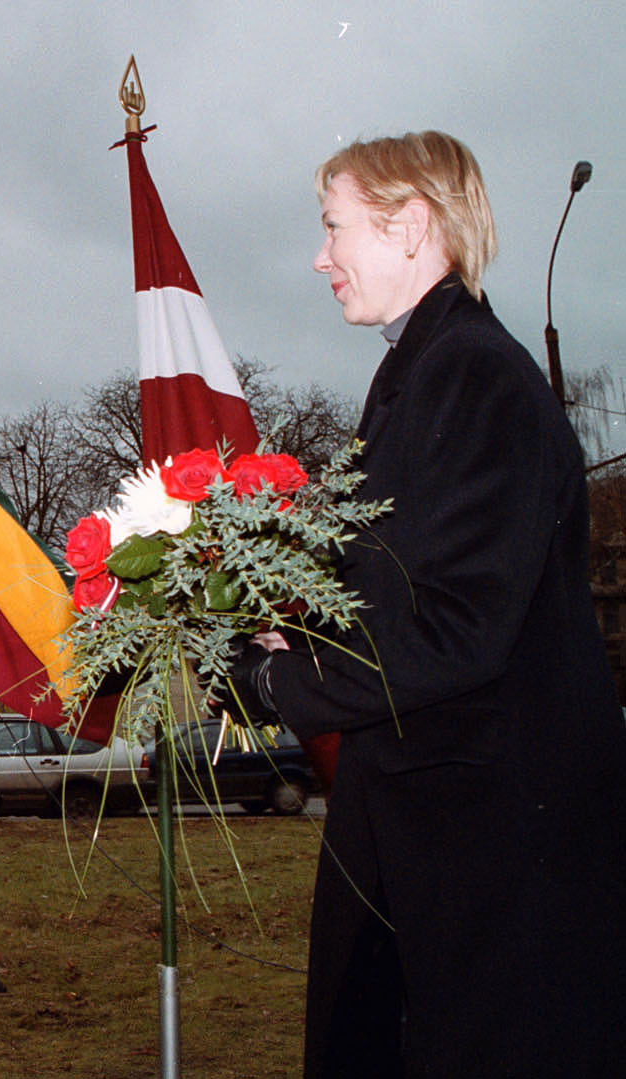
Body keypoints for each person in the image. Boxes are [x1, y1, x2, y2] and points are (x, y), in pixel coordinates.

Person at [230, 132, 626, 1077]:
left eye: (334, 228)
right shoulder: (422, 368)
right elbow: (407, 588)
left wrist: (278, 678)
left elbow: (458, 629)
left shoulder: (472, 373)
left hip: (494, 853)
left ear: (410, 226)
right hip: (436, 825)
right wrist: (275, 621)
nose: (319, 257)